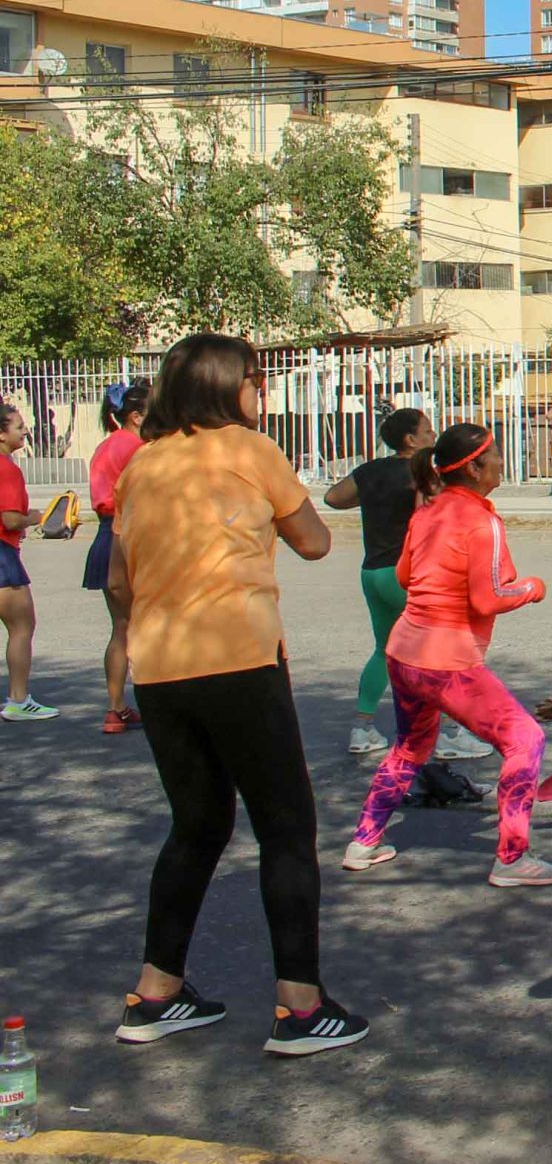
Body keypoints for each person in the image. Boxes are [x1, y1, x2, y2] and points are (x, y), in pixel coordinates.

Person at [108, 334, 366, 1056]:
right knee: (285, 828)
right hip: (241, 659)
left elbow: (120, 582)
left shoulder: (142, 464)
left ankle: (155, 993)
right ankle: (301, 1007)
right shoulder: (252, 449)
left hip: (160, 666)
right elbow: (314, 541)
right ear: (230, 384)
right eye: (257, 378)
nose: (262, 390)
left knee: (196, 826)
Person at [341, 422, 552, 889]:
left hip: (404, 654)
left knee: (409, 748)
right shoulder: (483, 522)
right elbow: (489, 598)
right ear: (476, 468)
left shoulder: (428, 511)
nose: (502, 461)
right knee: (525, 740)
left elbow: (405, 576)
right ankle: (512, 858)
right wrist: (532, 587)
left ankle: (363, 842)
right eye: (496, 454)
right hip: (448, 663)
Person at [322, 408, 430, 756]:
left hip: (373, 571)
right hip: (405, 572)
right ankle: (445, 731)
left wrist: (371, 498)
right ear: (410, 440)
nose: (433, 436)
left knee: (384, 649)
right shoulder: (421, 471)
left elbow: (333, 497)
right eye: (427, 431)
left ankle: (362, 726)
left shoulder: (370, 470)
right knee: (433, 649)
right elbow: (429, 514)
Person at [86, 380, 147, 734]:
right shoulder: (138, 448)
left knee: (121, 626)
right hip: (128, 536)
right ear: (136, 416)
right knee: (147, 623)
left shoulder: (105, 446)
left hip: (104, 535)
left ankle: (115, 708)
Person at [0, 403, 47, 723]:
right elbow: (11, 519)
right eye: (18, 426)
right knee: (21, 626)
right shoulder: (7, 469)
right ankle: (18, 700)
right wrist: (35, 517)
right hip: (3, 555)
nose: (25, 431)